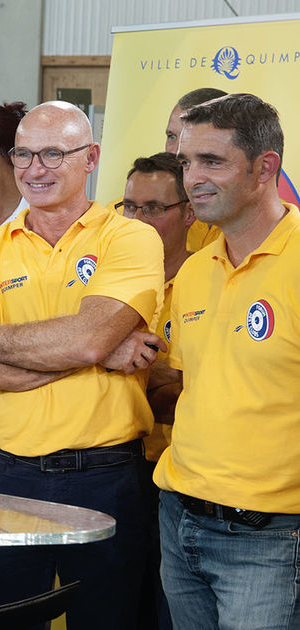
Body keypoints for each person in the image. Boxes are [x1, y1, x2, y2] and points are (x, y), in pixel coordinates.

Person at [0, 101, 165, 629]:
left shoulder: (129, 237)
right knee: (4, 621)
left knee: (107, 621)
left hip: (104, 476)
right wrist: (101, 354)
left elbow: (81, 340)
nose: (35, 169)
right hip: (3, 471)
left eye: (53, 154)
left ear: (91, 158)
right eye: (24, 154)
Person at [156, 93, 300, 630]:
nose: (192, 178)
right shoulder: (195, 270)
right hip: (180, 519)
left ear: (266, 167)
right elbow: (192, 384)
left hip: (271, 536)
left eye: (211, 161)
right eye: (187, 162)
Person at [116, 151, 194, 630]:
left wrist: (121, 377)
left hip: (178, 477)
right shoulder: (109, 279)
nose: (138, 219)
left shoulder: (207, 276)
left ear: (188, 212)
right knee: (119, 608)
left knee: (169, 611)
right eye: (129, 207)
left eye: (153, 208)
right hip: (115, 463)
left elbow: (197, 394)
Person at [164, 87, 227, 251]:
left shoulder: (258, 219)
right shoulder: (130, 210)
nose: (175, 151)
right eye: (171, 137)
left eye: (189, 139)